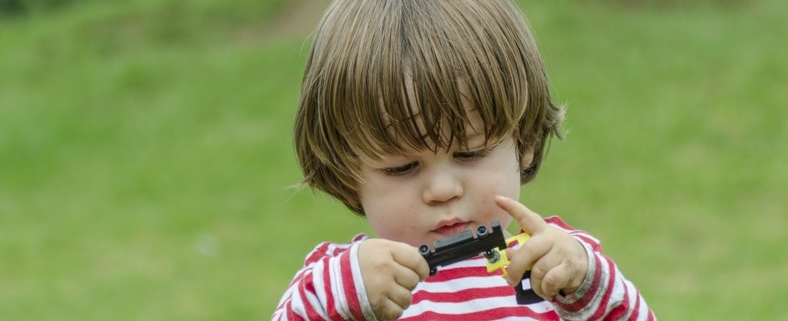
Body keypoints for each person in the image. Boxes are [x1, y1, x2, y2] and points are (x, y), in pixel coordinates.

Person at [273, 0, 655, 320]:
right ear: (346, 175)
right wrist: (338, 298)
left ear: (524, 143)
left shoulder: (554, 265)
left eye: (470, 153)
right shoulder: (345, 285)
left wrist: (588, 282)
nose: (442, 190)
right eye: (402, 167)